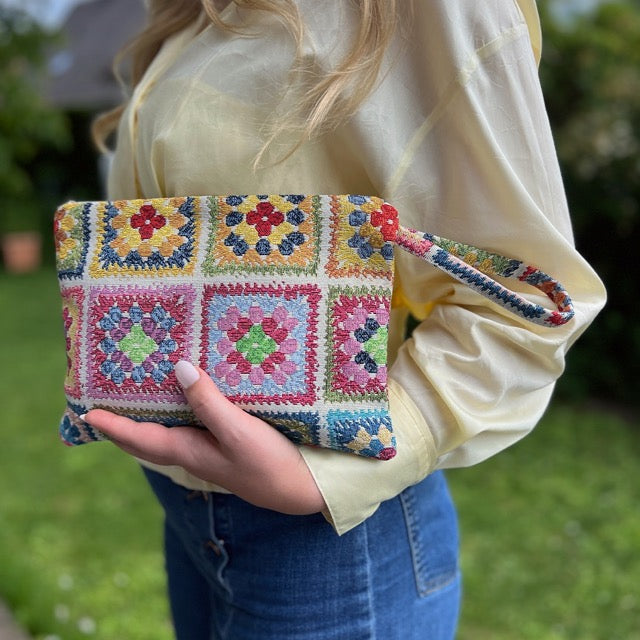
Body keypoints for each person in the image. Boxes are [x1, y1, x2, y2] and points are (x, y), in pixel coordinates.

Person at [83, 1, 606, 638]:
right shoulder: (195, 13)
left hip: (326, 545)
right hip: (186, 509)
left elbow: (525, 305)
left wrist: (325, 474)